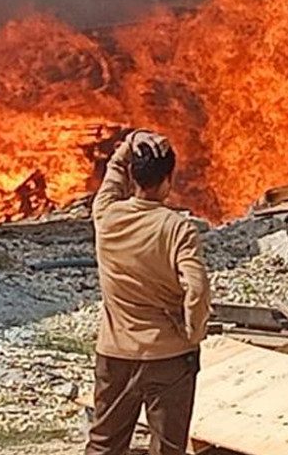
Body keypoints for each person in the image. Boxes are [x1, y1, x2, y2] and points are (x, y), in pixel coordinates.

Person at [85, 129, 211, 455]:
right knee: (168, 449)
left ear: (132, 176)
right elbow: (196, 287)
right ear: (168, 181)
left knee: (103, 444)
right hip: (169, 356)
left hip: (114, 355)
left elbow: (114, 173)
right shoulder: (177, 228)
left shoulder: (106, 215)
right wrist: (192, 332)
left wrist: (131, 142)